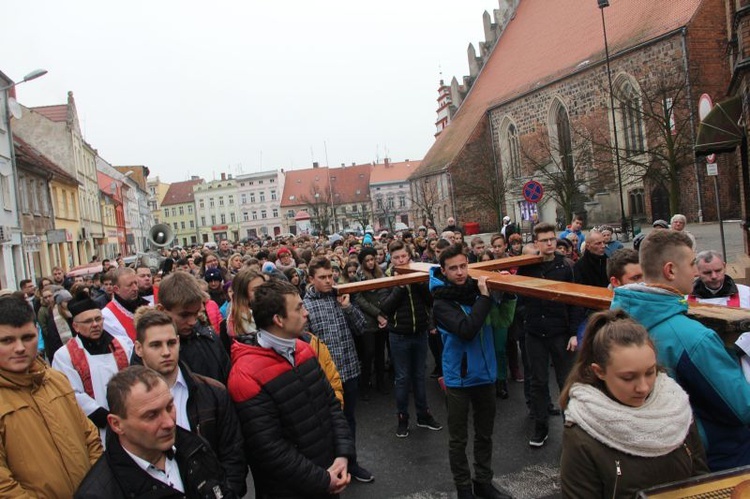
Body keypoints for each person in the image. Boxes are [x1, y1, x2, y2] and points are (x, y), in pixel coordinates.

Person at [611, 229, 750, 471]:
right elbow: (742, 407)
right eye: (692, 263)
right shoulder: (694, 338)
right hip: (715, 458)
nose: (696, 271)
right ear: (670, 270)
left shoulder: (618, 320)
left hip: (653, 455)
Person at [559, 310, 708, 498]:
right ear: (599, 371)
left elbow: (701, 479)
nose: (643, 388)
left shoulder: (676, 407)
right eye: (628, 378)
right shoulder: (582, 435)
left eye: (650, 372)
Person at [229, 279, 355, 498]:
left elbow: (331, 406)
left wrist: (342, 456)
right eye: (298, 308)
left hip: (329, 475)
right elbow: (269, 448)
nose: (306, 313)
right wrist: (322, 479)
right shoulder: (245, 375)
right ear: (278, 319)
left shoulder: (304, 349)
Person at [75, 366, 237, 498]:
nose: (169, 423)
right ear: (116, 424)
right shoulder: (99, 493)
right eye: (151, 415)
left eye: (169, 407)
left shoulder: (195, 448)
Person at [134, 308, 247, 496]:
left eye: (171, 343)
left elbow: (233, 453)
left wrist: (227, 492)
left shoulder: (213, 392)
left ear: (178, 342)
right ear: (139, 348)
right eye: (155, 345)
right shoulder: (129, 404)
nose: (166, 352)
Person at [430, 244, 512, 499]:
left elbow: (501, 322)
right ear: (443, 271)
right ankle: (464, 488)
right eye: (453, 268)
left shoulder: (476, 292)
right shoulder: (441, 303)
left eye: (463, 266)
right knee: (458, 439)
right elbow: (467, 329)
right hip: (459, 379)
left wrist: (506, 296)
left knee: (485, 434)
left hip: (485, 374)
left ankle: (483, 482)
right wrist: (486, 298)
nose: (460, 272)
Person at [0, 294, 102, 497]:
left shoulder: (56, 380)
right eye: (7, 340)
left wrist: (95, 488)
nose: (20, 348)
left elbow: (90, 437)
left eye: (27, 338)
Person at [303, 257, 374, 483]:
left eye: (330, 276)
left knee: (348, 420)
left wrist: (348, 307)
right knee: (326, 424)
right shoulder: (305, 306)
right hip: (323, 378)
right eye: (322, 277)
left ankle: (351, 463)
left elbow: (362, 327)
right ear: (311, 279)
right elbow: (304, 345)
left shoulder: (340, 298)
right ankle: (329, 468)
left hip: (350, 369)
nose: (328, 281)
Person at [518, 223, 582, 448]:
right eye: (544, 240)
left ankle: (570, 429)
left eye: (552, 239)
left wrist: (574, 333)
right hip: (535, 333)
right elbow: (520, 297)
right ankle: (541, 427)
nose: (549, 243)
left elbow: (575, 301)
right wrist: (527, 316)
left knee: (566, 382)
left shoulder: (565, 266)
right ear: (536, 243)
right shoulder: (527, 268)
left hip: (560, 333)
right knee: (538, 382)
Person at [380, 240, 443, 437]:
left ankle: (423, 415)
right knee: (402, 378)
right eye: (397, 257)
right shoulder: (387, 277)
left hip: (420, 332)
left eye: (404, 256)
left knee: (419, 376)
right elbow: (385, 307)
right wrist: (400, 286)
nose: (401, 260)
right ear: (391, 258)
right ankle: (402, 418)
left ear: (409, 256)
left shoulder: (419, 273)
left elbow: (431, 301)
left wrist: (419, 284)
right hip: (399, 335)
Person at [52, 293, 134, 438]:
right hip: (95, 424)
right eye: (88, 321)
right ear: (76, 326)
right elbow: (69, 392)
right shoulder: (64, 356)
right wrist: (101, 414)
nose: (95, 324)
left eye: (98, 319)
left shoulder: (123, 344)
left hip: (129, 417)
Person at [155, 271, 231, 383]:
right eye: (184, 315)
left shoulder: (209, 336)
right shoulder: (151, 349)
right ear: (162, 310)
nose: (192, 322)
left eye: (196, 313)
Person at [354, 247, 389, 400]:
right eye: (367, 260)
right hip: (368, 320)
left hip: (382, 316)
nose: (370, 263)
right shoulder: (359, 276)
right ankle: (364, 385)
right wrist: (377, 314)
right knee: (368, 353)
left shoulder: (380, 272)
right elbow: (360, 299)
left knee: (381, 353)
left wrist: (384, 314)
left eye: (372, 259)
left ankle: (381, 382)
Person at [102, 267, 151, 343]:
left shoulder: (147, 306)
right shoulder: (107, 316)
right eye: (130, 285)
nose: (135, 288)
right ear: (116, 289)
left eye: (136, 283)